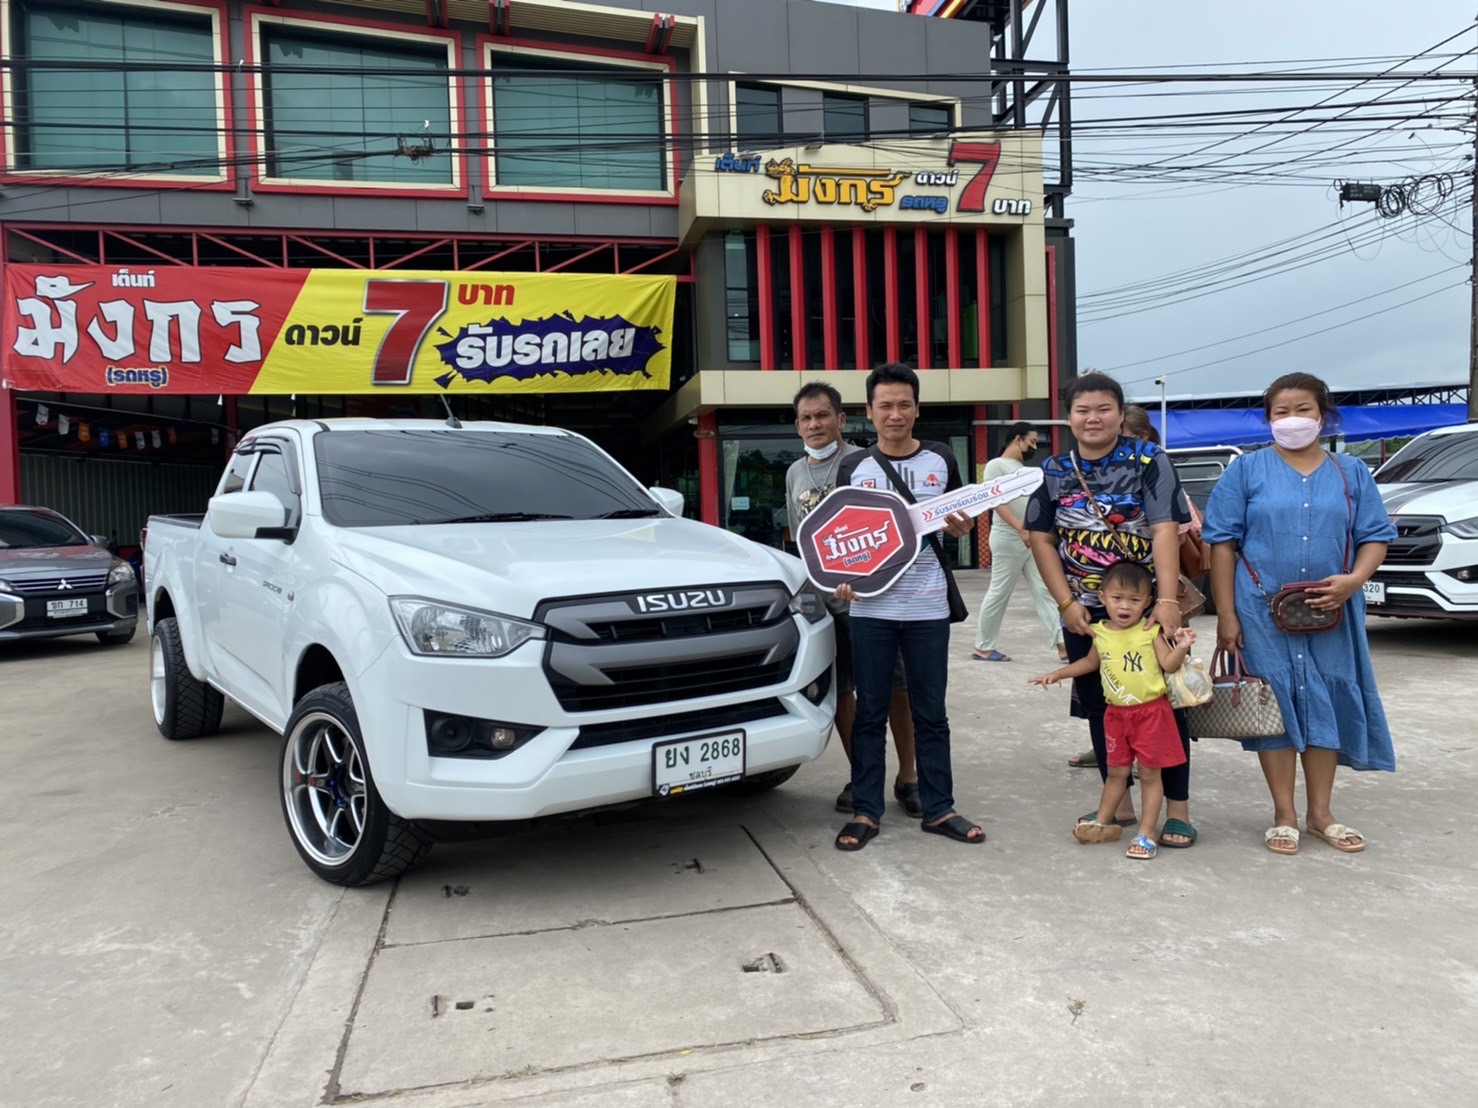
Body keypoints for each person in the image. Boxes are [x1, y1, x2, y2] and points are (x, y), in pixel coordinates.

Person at [1201, 372, 1396, 856]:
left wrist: (1354, 580)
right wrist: (1226, 615)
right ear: (1268, 419)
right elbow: (1221, 545)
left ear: (1323, 416)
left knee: (1327, 696)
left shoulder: (1352, 472)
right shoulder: (1245, 472)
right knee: (1275, 704)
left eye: (1303, 409)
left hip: (1332, 611)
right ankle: (1284, 814)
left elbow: (1375, 535)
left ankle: (1321, 814)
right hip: (1259, 611)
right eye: (1281, 412)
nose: (1292, 419)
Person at [1025, 371, 1199, 848]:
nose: (1093, 418)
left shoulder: (1149, 460)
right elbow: (1040, 538)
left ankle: (1177, 811)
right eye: (1082, 410)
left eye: (1104, 409)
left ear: (1121, 415)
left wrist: (1167, 601)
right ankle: (1118, 804)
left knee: (1164, 707)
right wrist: (1065, 603)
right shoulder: (1054, 470)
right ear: (1068, 417)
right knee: (1103, 709)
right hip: (1086, 613)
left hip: (1146, 611)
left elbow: (1164, 529)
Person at [832, 363, 982, 850]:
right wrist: (842, 578)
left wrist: (963, 527)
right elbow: (842, 536)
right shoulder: (854, 467)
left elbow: (959, 518)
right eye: (885, 406)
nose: (895, 414)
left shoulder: (941, 457)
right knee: (870, 713)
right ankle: (866, 811)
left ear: (917, 409)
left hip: (927, 606)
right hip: (870, 609)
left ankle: (940, 809)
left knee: (931, 713)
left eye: (904, 405)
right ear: (869, 412)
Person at [784, 381, 922, 819]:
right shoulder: (794, 473)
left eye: (822, 415)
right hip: (824, 606)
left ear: (842, 419)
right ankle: (863, 775)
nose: (814, 425)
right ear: (797, 426)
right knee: (842, 691)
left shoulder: (867, 462)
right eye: (806, 418)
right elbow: (801, 540)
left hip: (873, 601)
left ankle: (909, 777)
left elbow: (892, 530)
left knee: (897, 689)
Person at [1030, 561, 1197, 860]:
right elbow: (1089, 664)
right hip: (1116, 716)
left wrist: (1181, 647)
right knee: (1116, 771)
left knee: (1150, 775)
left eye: (1134, 599)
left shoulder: (1150, 631)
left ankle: (1146, 832)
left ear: (1147, 602)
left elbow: (1168, 665)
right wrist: (1057, 674)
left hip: (1152, 714)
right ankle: (1102, 822)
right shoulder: (1099, 633)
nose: (1125, 606)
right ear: (1102, 598)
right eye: (1117, 598)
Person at [969, 421, 1067, 665]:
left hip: (1031, 538)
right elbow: (995, 501)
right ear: (1017, 439)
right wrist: (1020, 528)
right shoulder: (996, 465)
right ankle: (983, 647)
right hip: (1008, 537)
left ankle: (1063, 645)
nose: (1034, 446)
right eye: (1031, 441)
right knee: (1000, 591)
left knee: (1045, 590)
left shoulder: (1022, 469)